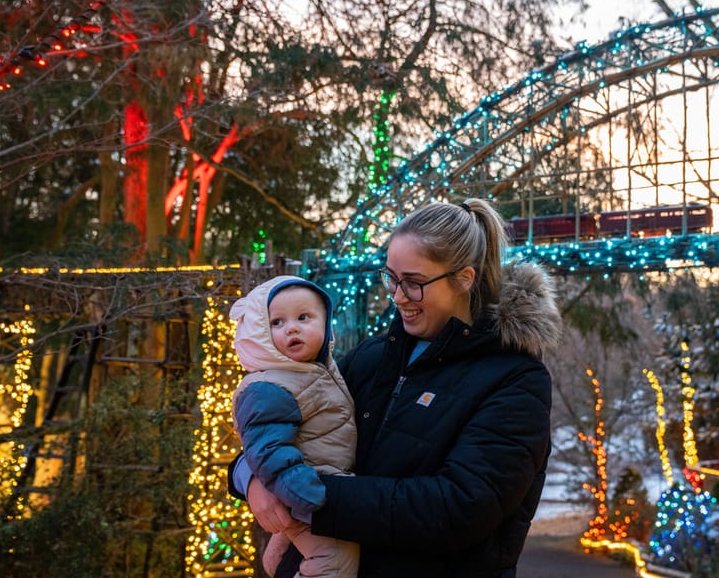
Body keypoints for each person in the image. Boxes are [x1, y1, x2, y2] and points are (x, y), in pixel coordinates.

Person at [230, 198, 562, 577]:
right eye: (391, 277)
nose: (398, 296)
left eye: (414, 283)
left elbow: (459, 509)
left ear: (464, 279)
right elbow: (280, 428)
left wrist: (305, 499)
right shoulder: (372, 357)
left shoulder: (515, 381)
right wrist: (251, 477)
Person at [230, 275, 359, 577]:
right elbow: (267, 447)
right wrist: (303, 492)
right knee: (336, 562)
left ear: (325, 324)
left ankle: (276, 561)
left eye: (304, 317)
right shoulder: (270, 385)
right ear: (260, 332)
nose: (292, 328)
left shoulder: (319, 370)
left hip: (312, 492)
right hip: (308, 493)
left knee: (294, 555)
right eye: (277, 322)